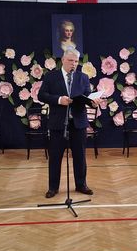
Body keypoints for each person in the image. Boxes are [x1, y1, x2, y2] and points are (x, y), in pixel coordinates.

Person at [38, 48, 95, 198]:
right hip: (58, 123)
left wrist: (94, 102)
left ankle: (81, 185)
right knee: (55, 157)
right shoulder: (51, 77)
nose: (73, 64)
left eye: (76, 61)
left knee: (80, 156)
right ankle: (53, 187)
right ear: (63, 60)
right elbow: (41, 95)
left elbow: (87, 96)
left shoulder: (83, 77)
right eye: (70, 60)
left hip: (78, 123)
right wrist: (59, 100)